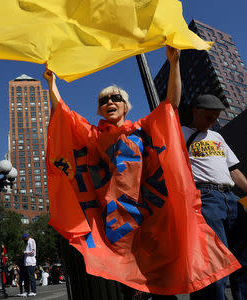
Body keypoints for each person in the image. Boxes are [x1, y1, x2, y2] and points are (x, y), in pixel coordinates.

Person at [44, 46, 182, 299]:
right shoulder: (96, 137)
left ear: (126, 106)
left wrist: (174, 63)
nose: (109, 102)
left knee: (160, 279)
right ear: (99, 110)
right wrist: (52, 83)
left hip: (150, 213)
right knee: (127, 280)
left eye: (115, 98)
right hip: (117, 219)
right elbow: (64, 114)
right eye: (103, 100)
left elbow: (170, 106)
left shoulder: (143, 128)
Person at [182, 94, 247, 300]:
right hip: (205, 198)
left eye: (216, 117)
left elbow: (234, 170)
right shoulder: (180, 133)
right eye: (208, 116)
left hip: (231, 198)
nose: (212, 121)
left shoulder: (217, 137)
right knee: (213, 260)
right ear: (195, 111)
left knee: (243, 256)